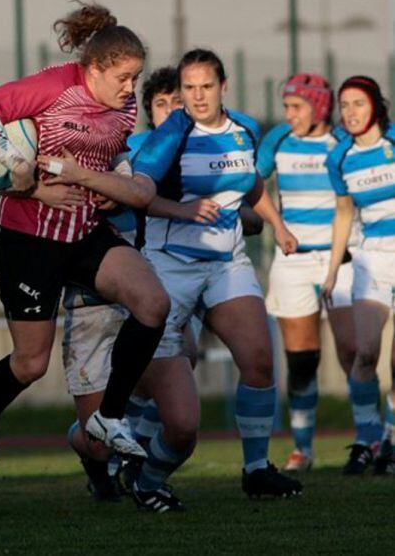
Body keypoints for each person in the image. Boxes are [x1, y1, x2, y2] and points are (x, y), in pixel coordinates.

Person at [0, 1, 168, 481]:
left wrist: (118, 182)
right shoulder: (56, 86)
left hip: (85, 232)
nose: (130, 88)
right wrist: (27, 179)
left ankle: (109, 416)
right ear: (93, 69)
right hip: (28, 241)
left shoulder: (124, 107)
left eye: (136, 77)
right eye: (123, 77)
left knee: (153, 303)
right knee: (31, 363)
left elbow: (115, 152)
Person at [134, 48, 303, 498]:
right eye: (189, 88)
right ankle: (135, 464)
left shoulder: (244, 129)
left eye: (206, 86)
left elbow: (251, 183)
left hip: (227, 263)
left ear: (223, 86)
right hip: (170, 266)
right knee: (161, 391)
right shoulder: (169, 137)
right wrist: (183, 210)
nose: (197, 95)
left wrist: (278, 225)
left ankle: (256, 469)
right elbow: (137, 195)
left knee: (259, 361)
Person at [50, 66, 188, 511]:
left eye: (179, 102)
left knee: (183, 425)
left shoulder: (151, 152)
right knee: (97, 443)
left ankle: (145, 483)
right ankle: (94, 459)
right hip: (90, 303)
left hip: (148, 291)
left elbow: (144, 193)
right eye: (162, 103)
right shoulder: (70, 140)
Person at [257, 73, 356, 472]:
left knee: (356, 352)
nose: (289, 115)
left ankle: (371, 439)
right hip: (293, 260)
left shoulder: (343, 140)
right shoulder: (278, 139)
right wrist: (274, 224)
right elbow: (252, 184)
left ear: (319, 107)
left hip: (342, 260)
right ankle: (302, 448)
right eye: (286, 107)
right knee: (301, 361)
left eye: (296, 107)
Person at [322, 75, 395, 476]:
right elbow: (344, 213)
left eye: (359, 104)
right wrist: (333, 272)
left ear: (376, 107)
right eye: (344, 105)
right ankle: (368, 439)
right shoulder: (340, 157)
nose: (350, 112)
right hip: (372, 260)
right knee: (365, 352)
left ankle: (391, 440)